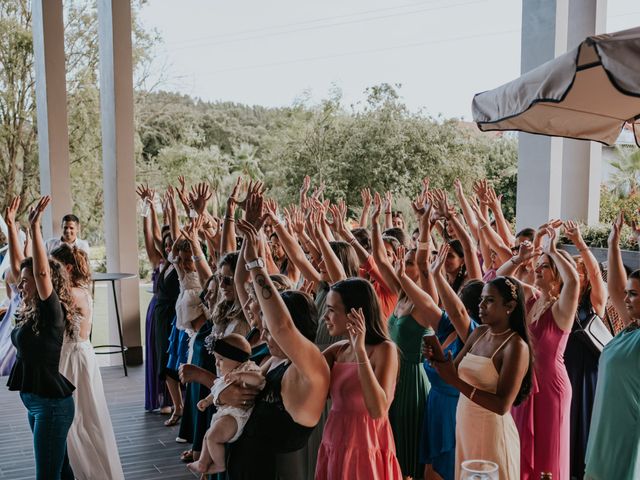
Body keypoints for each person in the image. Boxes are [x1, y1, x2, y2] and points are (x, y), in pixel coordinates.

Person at [219, 217, 330, 479]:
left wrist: (257, 263)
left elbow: (282, 327)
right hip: (249, 462)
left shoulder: (310, 366)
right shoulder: (275, 360)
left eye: (270, 329)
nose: (264, 334)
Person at [427, 276, 532, 480]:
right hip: (465, 422)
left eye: (489, 300)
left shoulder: (516, 347)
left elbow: (502, 405)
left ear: (509, 306)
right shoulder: (480, 333)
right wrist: (437, 359)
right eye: (481, 299)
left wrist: (456, 381)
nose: (481, 305)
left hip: (491, 430)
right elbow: (454, 371)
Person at [6, 196, 78, 480]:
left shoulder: (52, 311)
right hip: (37, 404)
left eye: (26, 282)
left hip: (51, 407)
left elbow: (40, 270)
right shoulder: (30, 310)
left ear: (43, 282)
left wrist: (34, 227)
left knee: (47, 476)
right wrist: (12, 227)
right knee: (61, 471)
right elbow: (17, 267)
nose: (20, 286)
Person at [316, 277, 402, 479]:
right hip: (334, 441)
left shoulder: (385, 350)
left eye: (331, 310)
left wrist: (360, 352)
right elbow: (303, 373)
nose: (324, 317)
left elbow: (377, 409)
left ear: (355, 314)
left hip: (367, 446)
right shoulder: (337, 351)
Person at [511, 228, 580, 480]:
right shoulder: (531, 297)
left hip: (551, 389)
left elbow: (573, 282)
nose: (538, 269)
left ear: (557, 275)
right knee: (519, 451)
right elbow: (500, 279)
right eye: (538, 265)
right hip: (525, 384)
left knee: (548, 456)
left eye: (545, 267)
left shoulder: (562, 308)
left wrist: (553, 250)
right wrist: (519, 259)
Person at [52, 244, 124, 480]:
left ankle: (86, 470)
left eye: (56, 267)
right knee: (88, 415)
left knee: (78, 418)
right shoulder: (81, 289)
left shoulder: (70, 294)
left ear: (68, 268)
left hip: (71, 358)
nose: (52, 272)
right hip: (82, 355)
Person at [584, 213, 640, 480]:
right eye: (628, 293)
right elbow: (616, 290)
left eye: (635, 294)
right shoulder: (631, 327)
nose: (625, 299)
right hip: (605, 426)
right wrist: (613, 244)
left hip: (629, 432)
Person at [561, 221, 607, 480]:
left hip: (587, 373)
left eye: (576, 271)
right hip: (564, 370)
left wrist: (580, 244)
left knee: (583, 426)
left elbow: (597, 274)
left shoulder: (595, 302)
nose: (571, 274)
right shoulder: (560, 301)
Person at [187, 333, 265, 474]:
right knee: (208, 435)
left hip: (237, 417)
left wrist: (240, 376)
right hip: (225, 414)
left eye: (221, 359)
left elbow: (259, 380)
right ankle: (203, 463)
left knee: (212, 437)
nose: (217, 363)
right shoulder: (228, 375)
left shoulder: (246, 369)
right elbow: (217, 389)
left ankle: (219, 464)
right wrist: (207, 400)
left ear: (237, 359)